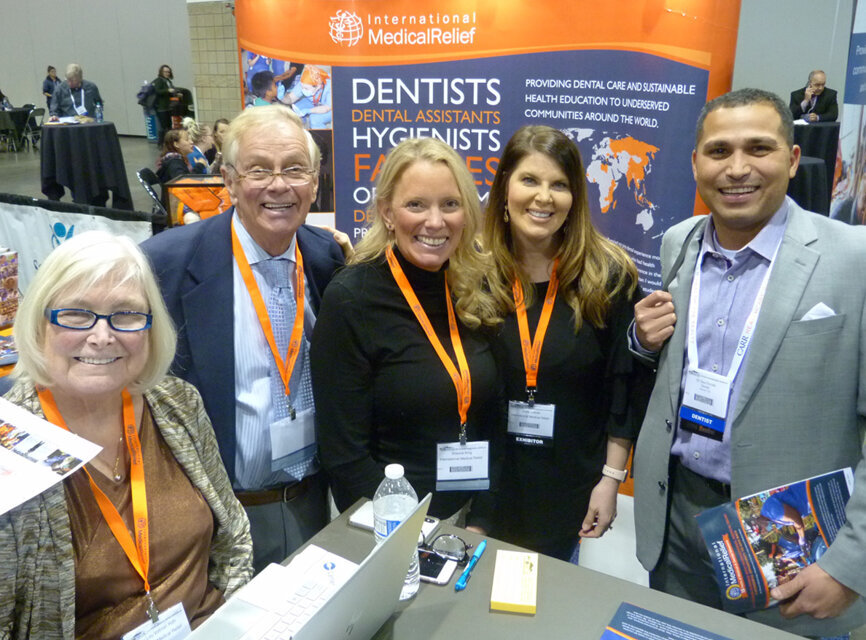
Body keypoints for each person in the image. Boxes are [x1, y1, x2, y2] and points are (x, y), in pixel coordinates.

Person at [631, 87, 866, 637]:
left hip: (792, 531)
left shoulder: (853, 259)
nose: (737, 169)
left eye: (758, 148)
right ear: (696, 163)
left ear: (792, 158)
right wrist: (641, 340)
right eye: (719, 151)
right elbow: (674, 362)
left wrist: (850, 562)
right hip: (677, 515)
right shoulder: (678, 242)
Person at [0, 231, 253, 638]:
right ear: (39, 322)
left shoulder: (178, 404)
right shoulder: (8, 446)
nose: (102, 337)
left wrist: (235, 624)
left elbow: (234, 536)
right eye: (77, 314)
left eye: (126, 314)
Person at [141, 104, 345, 572]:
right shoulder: (165, 265)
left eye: (294, 169)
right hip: (216, 516)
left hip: (313, 503)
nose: (278, 185)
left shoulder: (327, 258)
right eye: (258, 170)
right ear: (229, 181)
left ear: (315, 182)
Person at [310, 137, 502, 531]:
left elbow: (493, 419)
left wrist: (482, 518)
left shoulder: (476, 287)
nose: (435, 222)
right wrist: (408, 533)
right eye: (416, 205)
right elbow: (345, 454)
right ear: (387, 213)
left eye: (450, 204)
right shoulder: (352, 298)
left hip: (470, 520)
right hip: (390, 526)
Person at [482, 125, 647, 560]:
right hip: (485, 487)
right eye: (529, 180)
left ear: (575, 197)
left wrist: (611, 478)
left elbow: (623, 385)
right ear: (504, 188)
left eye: (559, 185)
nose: (544, 197)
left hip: (567, 489)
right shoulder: (472, 272)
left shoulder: (608, 277)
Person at [153, 64, 177, 144]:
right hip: (161, 107)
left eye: (168, 72)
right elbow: (157, 91)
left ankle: (168, 142)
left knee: (168, 125)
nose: (167, 73)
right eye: (165, 72)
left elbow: (170, 92)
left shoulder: (168, 81)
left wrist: (176, 93)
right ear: (161, 72)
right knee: (163, 127)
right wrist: (167, 90)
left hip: (168, 106)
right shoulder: (159, 81)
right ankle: (161, 143)